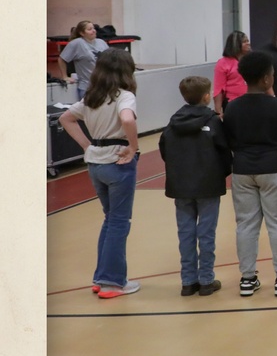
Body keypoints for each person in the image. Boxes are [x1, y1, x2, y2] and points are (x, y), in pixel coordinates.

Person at [58, 49, 141, 298]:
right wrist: (134, 146)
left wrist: (87, 146)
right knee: (119, 222)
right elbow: (127, 120)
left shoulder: (92, 97)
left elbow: (65, 118)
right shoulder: (124, 96)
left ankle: (102, 276)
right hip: (117, 161)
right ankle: (113, 282)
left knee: (110, 219)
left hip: (95, 163)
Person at [222, 51, 277, 297]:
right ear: (267, 79)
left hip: (243, 170)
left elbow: (230, 140)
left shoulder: (233, 107)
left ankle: (247, 279)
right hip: (275, 168)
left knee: (246, 224)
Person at [157, 75, 231, 296]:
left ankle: (188, 281)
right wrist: (222, 172)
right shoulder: (213, 122)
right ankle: (206, 279)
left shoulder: (173, 121)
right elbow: (225, 152)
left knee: (186, 232)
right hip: (208, 185)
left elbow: (164, 148)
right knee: (206, 233)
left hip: (181, 185)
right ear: (207, 96)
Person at [58, 20, 110, 100]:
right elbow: (62, 59)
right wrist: (65, 76)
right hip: (87, 88)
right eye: (89, 29)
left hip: (104, 87)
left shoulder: (101, 42)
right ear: (82, 33)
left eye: (93, 28)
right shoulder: (77, 43)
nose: (93, 31)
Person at [212, 30, 251, 117]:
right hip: (233, 105)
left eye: (247, 41)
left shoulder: (251, 60)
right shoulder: (223, 63)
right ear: (235, 44)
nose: (248, 43)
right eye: (244, 41)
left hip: (252, 102)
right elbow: (219, 89)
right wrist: (218, 112)